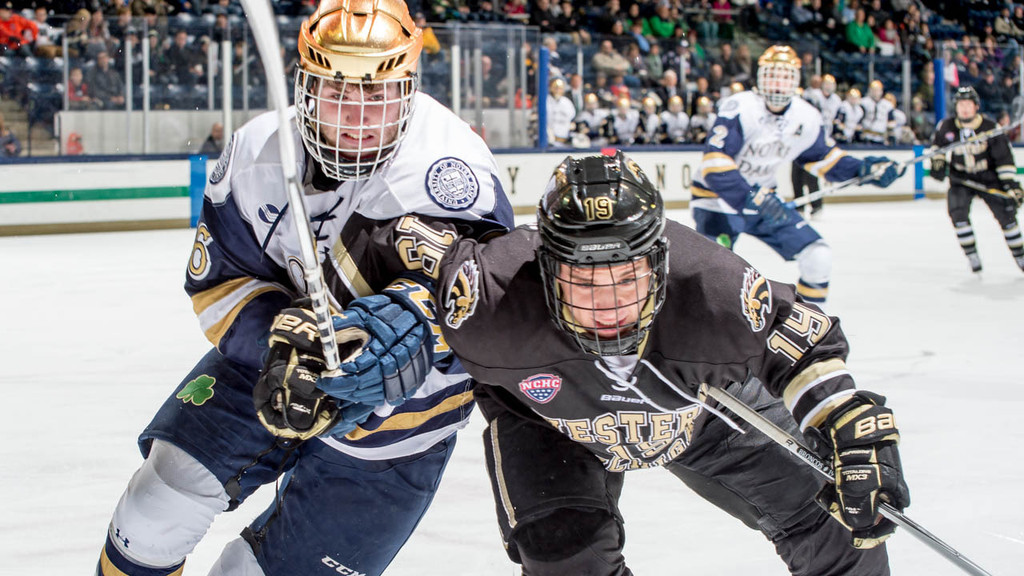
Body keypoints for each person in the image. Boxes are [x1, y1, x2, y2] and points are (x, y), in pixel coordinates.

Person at [95, 1, 513, 575]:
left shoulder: (452, 174)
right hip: (265, 366)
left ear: (409, 89)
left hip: (400, 418)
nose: (358, 115)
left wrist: (401, 339)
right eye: (338, 91)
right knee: (152, 511)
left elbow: (481, 314)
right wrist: (282, 343)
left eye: (378, 93)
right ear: (307, 86)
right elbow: (219, 285)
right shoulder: (255, 153)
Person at [433, 150, 910, 576]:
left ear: (660, 263)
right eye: (584, 281)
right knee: (564, 556)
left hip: (703, 407)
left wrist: (847, 421)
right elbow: (409, 256)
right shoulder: (489, 298)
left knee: (833, 523)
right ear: (546, 270)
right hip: (549, 423)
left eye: (627, 278)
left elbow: (800, 342)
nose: (609, 306)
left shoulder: (713, 285)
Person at [690, 45, 904, 304]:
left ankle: (807, 325)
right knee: (715, 278)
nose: (778, 85)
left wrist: (864, 169)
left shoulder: (806, 116)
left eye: (785, 77)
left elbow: (823, 159)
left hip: (765, 201)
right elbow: (714, 163)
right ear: (761, 78)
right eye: (772, 76)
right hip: (716, 199)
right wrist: (749, 196)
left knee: (818, 256)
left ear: (795, 81)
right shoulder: (740, 107)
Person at [930, 85, 1024, 273]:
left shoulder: (990, 128)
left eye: (968, 104)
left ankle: (1020, 256)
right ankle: (971, 255)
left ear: (976, 106)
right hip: (961, 179)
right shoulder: (947, 126)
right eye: (961, 104)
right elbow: (937, 148)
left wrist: (1011, 185)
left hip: (989, 178)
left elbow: (1004, 159)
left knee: (1007, 216)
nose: (964, 108)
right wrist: (937, 163)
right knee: (958, 213)